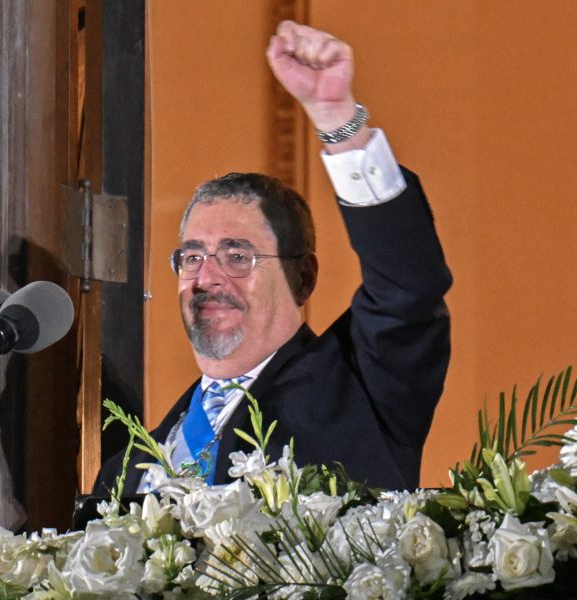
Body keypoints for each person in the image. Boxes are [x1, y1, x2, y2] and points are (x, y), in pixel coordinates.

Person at [94, 21, 451, 495]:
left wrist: (338, 121)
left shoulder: (363, 386)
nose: (207, 277)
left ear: (303, 276)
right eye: (193, 256)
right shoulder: (124, 472)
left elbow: (408, 285)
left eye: (237, 255)